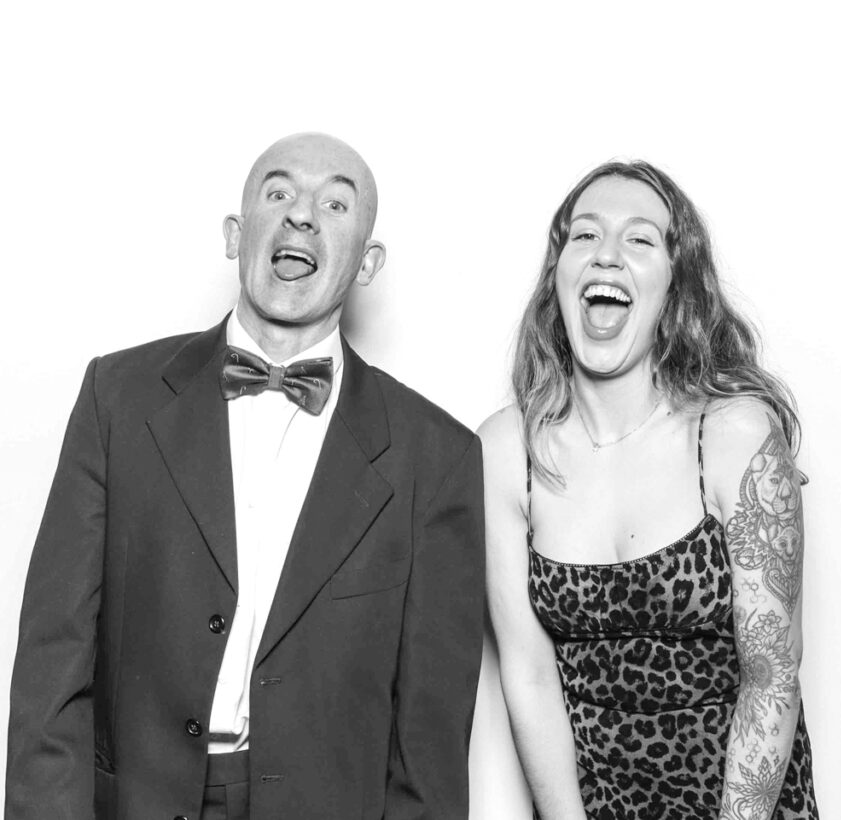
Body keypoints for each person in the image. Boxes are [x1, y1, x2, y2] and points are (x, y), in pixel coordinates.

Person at [6, 133, 485, 820]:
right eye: (280, 192)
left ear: (368, 262)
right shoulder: (119, 397)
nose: (302, 215)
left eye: (336, 203)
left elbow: (430, 748)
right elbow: (52, 664)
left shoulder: (436, 457)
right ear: (237, 235)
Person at [480, 161, 818, 819]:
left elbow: (771, 675)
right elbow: (527, 675)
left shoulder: (733, 436)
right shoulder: (503, 451)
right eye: (584, 236)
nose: (606, 253)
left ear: (675, 285)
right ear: (558, 276)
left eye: (638, 239)